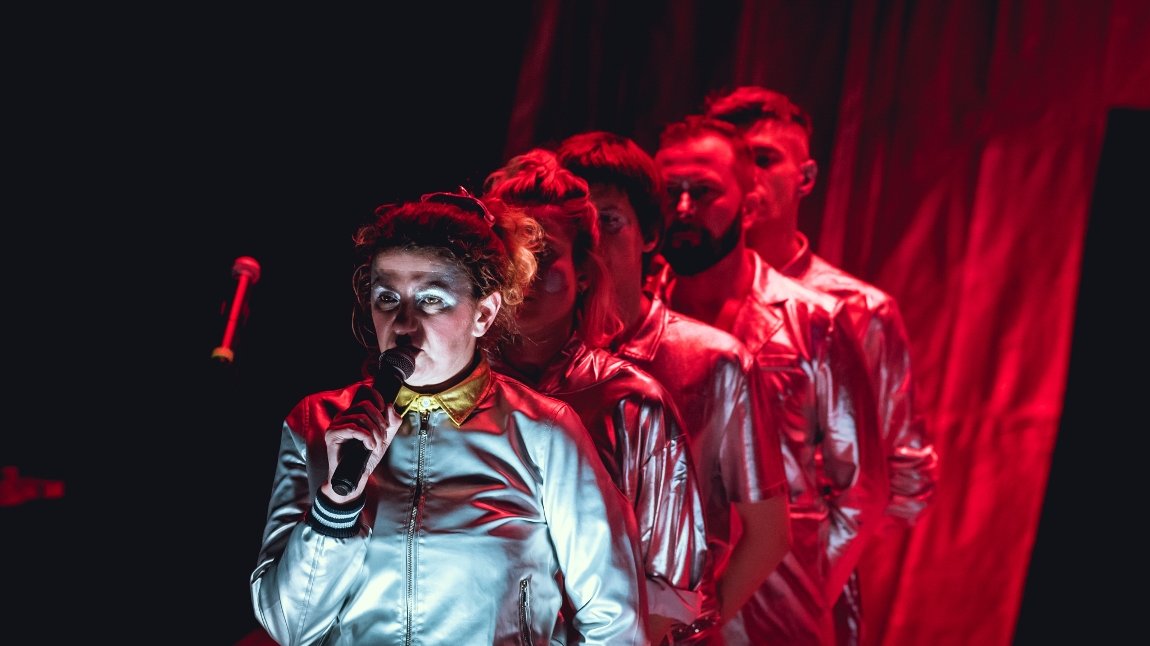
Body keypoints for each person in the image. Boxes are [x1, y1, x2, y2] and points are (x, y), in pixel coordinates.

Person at [249, 192, 647, 645]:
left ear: (484, 313)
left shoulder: (544, 431)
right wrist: (336, 507)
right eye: (387, 298)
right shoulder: (317, 423)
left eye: (432, 300)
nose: (403, 323)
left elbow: (616, 622)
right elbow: (289, 626)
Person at [705, 86, 939, 645]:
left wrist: (803, 586)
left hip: (794, 601)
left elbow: (904, 476)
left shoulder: (856, 310)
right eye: (736, 161)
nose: (749, 176)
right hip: (679, 586)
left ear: (805, 177)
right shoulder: (671, 294)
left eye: (764, 159)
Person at [652, 114, 887, 646]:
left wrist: (808, 586)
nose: (683, 208)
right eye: (670, 192)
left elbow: (862, 488)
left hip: (779, 612)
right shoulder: (635, 318)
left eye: (704, 192)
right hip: (661, 607)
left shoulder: (814, 321)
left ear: (749, 202)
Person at [555, 130, 791, 643]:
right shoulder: (542, 354)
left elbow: (769, 534)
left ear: (650, 234)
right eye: (577, 226)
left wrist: (689, 630)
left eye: (609, 221)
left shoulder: (715, 360)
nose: (592, 241)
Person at [482, 148, 709, 645]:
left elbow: (668, 589)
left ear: (584, 270)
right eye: (508, 257)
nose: (524, 274)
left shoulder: (632, 403)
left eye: (544, 255)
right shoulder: (442, 393)